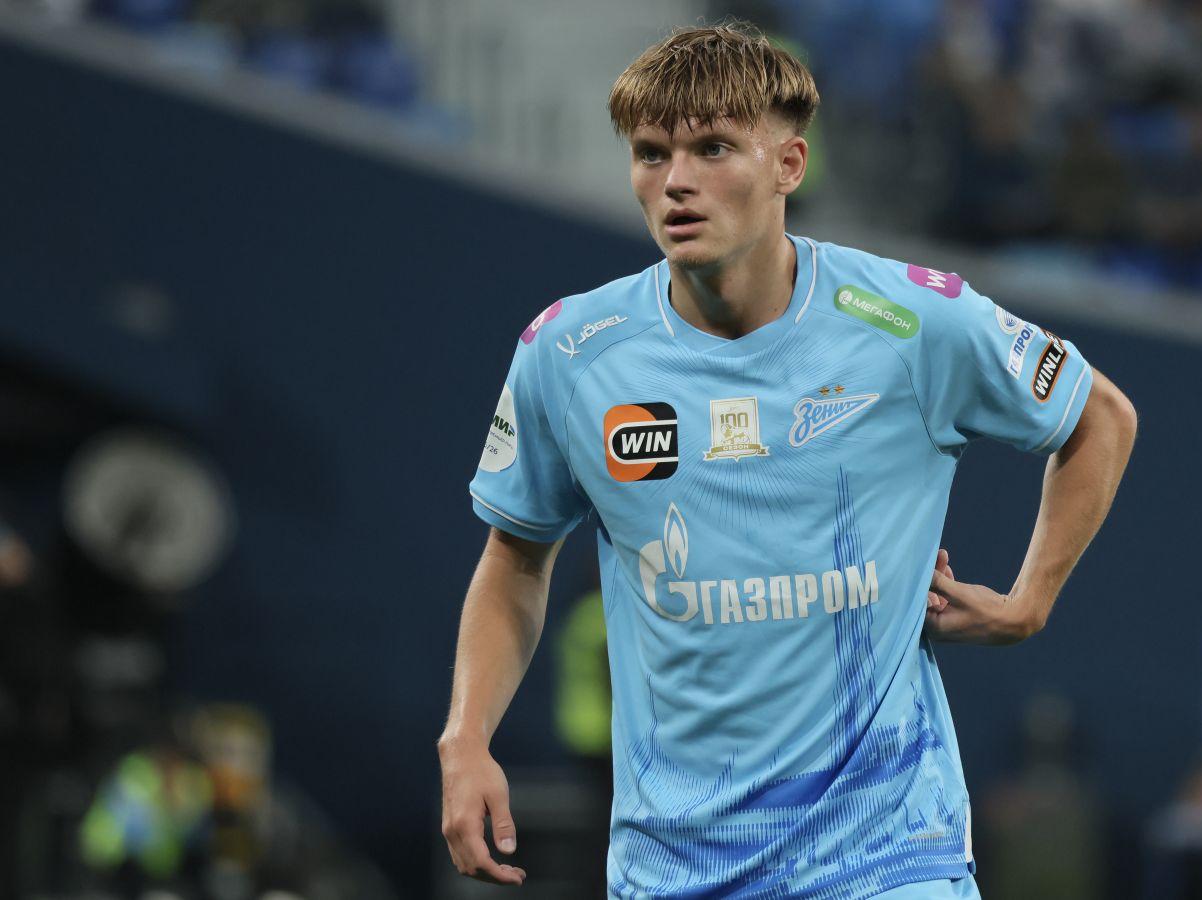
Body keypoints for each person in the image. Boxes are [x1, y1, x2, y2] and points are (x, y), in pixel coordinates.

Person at [438, 22, 1137, 899]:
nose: (676, 181)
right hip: (674, 869)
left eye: (713, 148)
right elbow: (515, 558)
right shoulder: (570, 353)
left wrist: (1030, 601)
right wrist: (466, 736)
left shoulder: (911, 322)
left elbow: (1098, 416)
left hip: (888, 857)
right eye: (651, 154)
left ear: (789, 165)